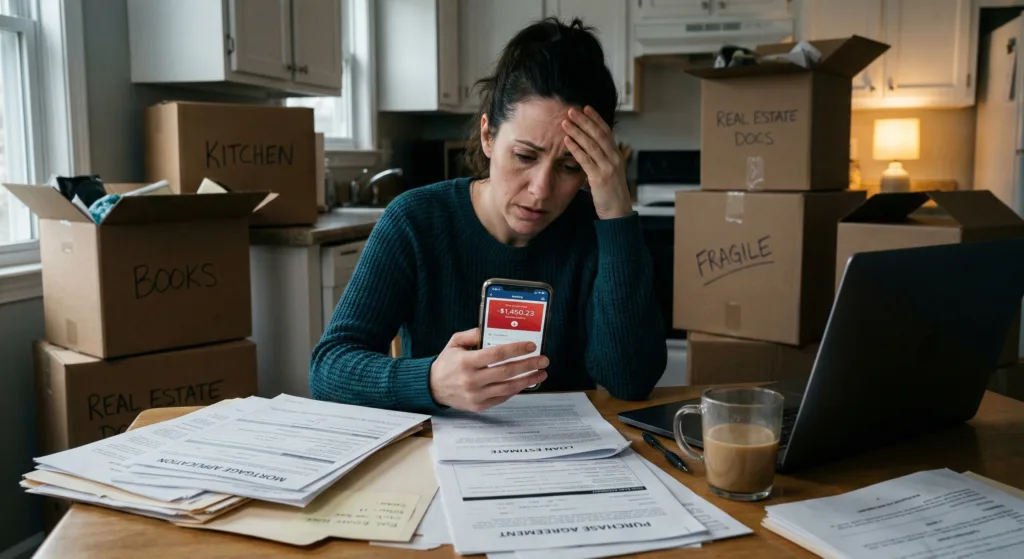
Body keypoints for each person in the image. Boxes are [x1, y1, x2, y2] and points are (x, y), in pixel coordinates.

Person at [310, 17, 667, 413]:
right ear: (487, 135)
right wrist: (429, 380)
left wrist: (617, 214)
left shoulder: (593, 231)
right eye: (524, 156)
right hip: (439, 453)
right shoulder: (415, 221)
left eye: (569, 167)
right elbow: (329, 367)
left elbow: (631, 382)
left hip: (567, 457)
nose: (540, 190)